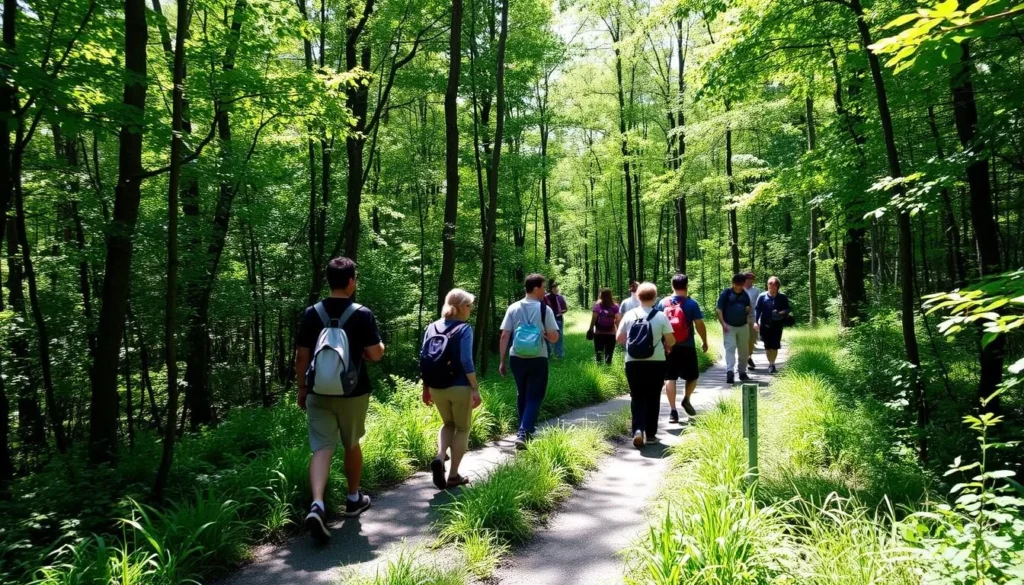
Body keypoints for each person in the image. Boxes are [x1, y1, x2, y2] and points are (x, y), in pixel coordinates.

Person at [297, 257, 385, 542]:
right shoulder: (362, 313)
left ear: (328, 281)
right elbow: (374, 354)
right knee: (351, 443)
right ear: (350, 281)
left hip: (317, 391)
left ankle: (318, 504)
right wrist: (381, 345)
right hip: (353, 391)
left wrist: (302, 388)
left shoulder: (312, 313)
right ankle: (352, 498)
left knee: (321, 448)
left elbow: (302, 356)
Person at [421, 289, 481, 489]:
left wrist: (426, 387)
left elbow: (424, 357)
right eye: (468, 305)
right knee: (462, 428)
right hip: (459, 386)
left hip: (436, 386)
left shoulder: (431, 327)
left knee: (448, 423)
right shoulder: (464, 329)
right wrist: (474, 388)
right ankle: (453, 475)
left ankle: (440, 457)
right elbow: (466, 360)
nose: (470, 309)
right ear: (459, 307)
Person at [499, 274, 560, 450]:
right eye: (543, 287)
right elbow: (554, 337)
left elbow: (504, 335)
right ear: (535, 289)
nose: (545, 291)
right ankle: (524, 432)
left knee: (522, 393)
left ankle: (524, 429)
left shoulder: (513, 307)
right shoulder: (544, 309)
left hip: (516, 357)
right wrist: (546, 335)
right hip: (537, 357)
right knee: (535, 395)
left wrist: (502, 360)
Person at [617, 282, 675, 448]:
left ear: (638, 296)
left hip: (633, 362)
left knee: (636, 396)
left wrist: (632, 343)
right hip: (656, 362)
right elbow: (671, 340)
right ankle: (650, 434)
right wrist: (665, 343)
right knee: (653, 396)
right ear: (655, 297)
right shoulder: (660, 316)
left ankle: (637, 430)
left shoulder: (629, 314)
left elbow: (619, 339)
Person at [656, 274, 709, 423]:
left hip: (667, 346)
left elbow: (656, 324)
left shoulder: (662, 303)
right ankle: (686, 399)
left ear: (672, 286)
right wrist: (704, 341)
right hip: (687, 346)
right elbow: (699, 324)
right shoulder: (692, 304)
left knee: (670, 378)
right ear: (686, 286)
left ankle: (673, 412)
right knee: (692, 376)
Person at [717, 273, 753, 385]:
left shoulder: (745, 295)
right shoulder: (726, 294)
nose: (738, 287)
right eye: (736, 284)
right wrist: (723, 324)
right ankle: (730, 372)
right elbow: (719, 310)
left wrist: (747, 313)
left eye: (740, 285)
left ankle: (742, 372)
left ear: (743, 284)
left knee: (744, 351)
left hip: (743, 326)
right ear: (733, 283)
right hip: (729, 326)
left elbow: (748, 309)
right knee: (730, 349)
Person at [754, 276, 791, 374]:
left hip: (778, 325)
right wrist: (755, 321)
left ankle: (772, 364)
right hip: (765, 325)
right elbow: (757, 310)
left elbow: (788, 309)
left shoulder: (782, 297)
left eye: (774, 284)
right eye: (770, 284)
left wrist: (781, 312)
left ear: (778, 286)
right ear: (767, 285)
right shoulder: (762, 296)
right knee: (767, 346)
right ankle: (770, 363)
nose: (772, 286)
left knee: (774, 346)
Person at [588, 288, 621, 365]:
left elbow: (594, 318)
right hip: (611, 334)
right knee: (609, 354)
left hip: (599, 333)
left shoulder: (597, 306)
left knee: (599, 353)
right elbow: (617, 320)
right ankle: (608, 368)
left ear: (601, 295)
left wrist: (590, 329)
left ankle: (600, 369)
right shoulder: (615, 306)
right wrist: (618, 331)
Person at [543, 280, 568, 359]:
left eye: (556, 287)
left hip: (558, 319)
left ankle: (559, 355)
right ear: (550, 288)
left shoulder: (560, 297)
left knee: (559, 338)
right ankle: (548, 354)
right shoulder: (545, 297)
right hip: (547, 320)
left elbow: (565, 308)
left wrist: (561, 312)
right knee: (546, 337)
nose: (555, 289)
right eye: (553, 287)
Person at [744, 272, 761, 370]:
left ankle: (749, 356)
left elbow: (759, 305)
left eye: (751, 280)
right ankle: (744, 359)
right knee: (743, 339)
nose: (749, 281)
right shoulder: (740, 290)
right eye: (747, 279)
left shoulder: (756, 291)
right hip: (742, 318)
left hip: (753, 318)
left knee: (752, 339)